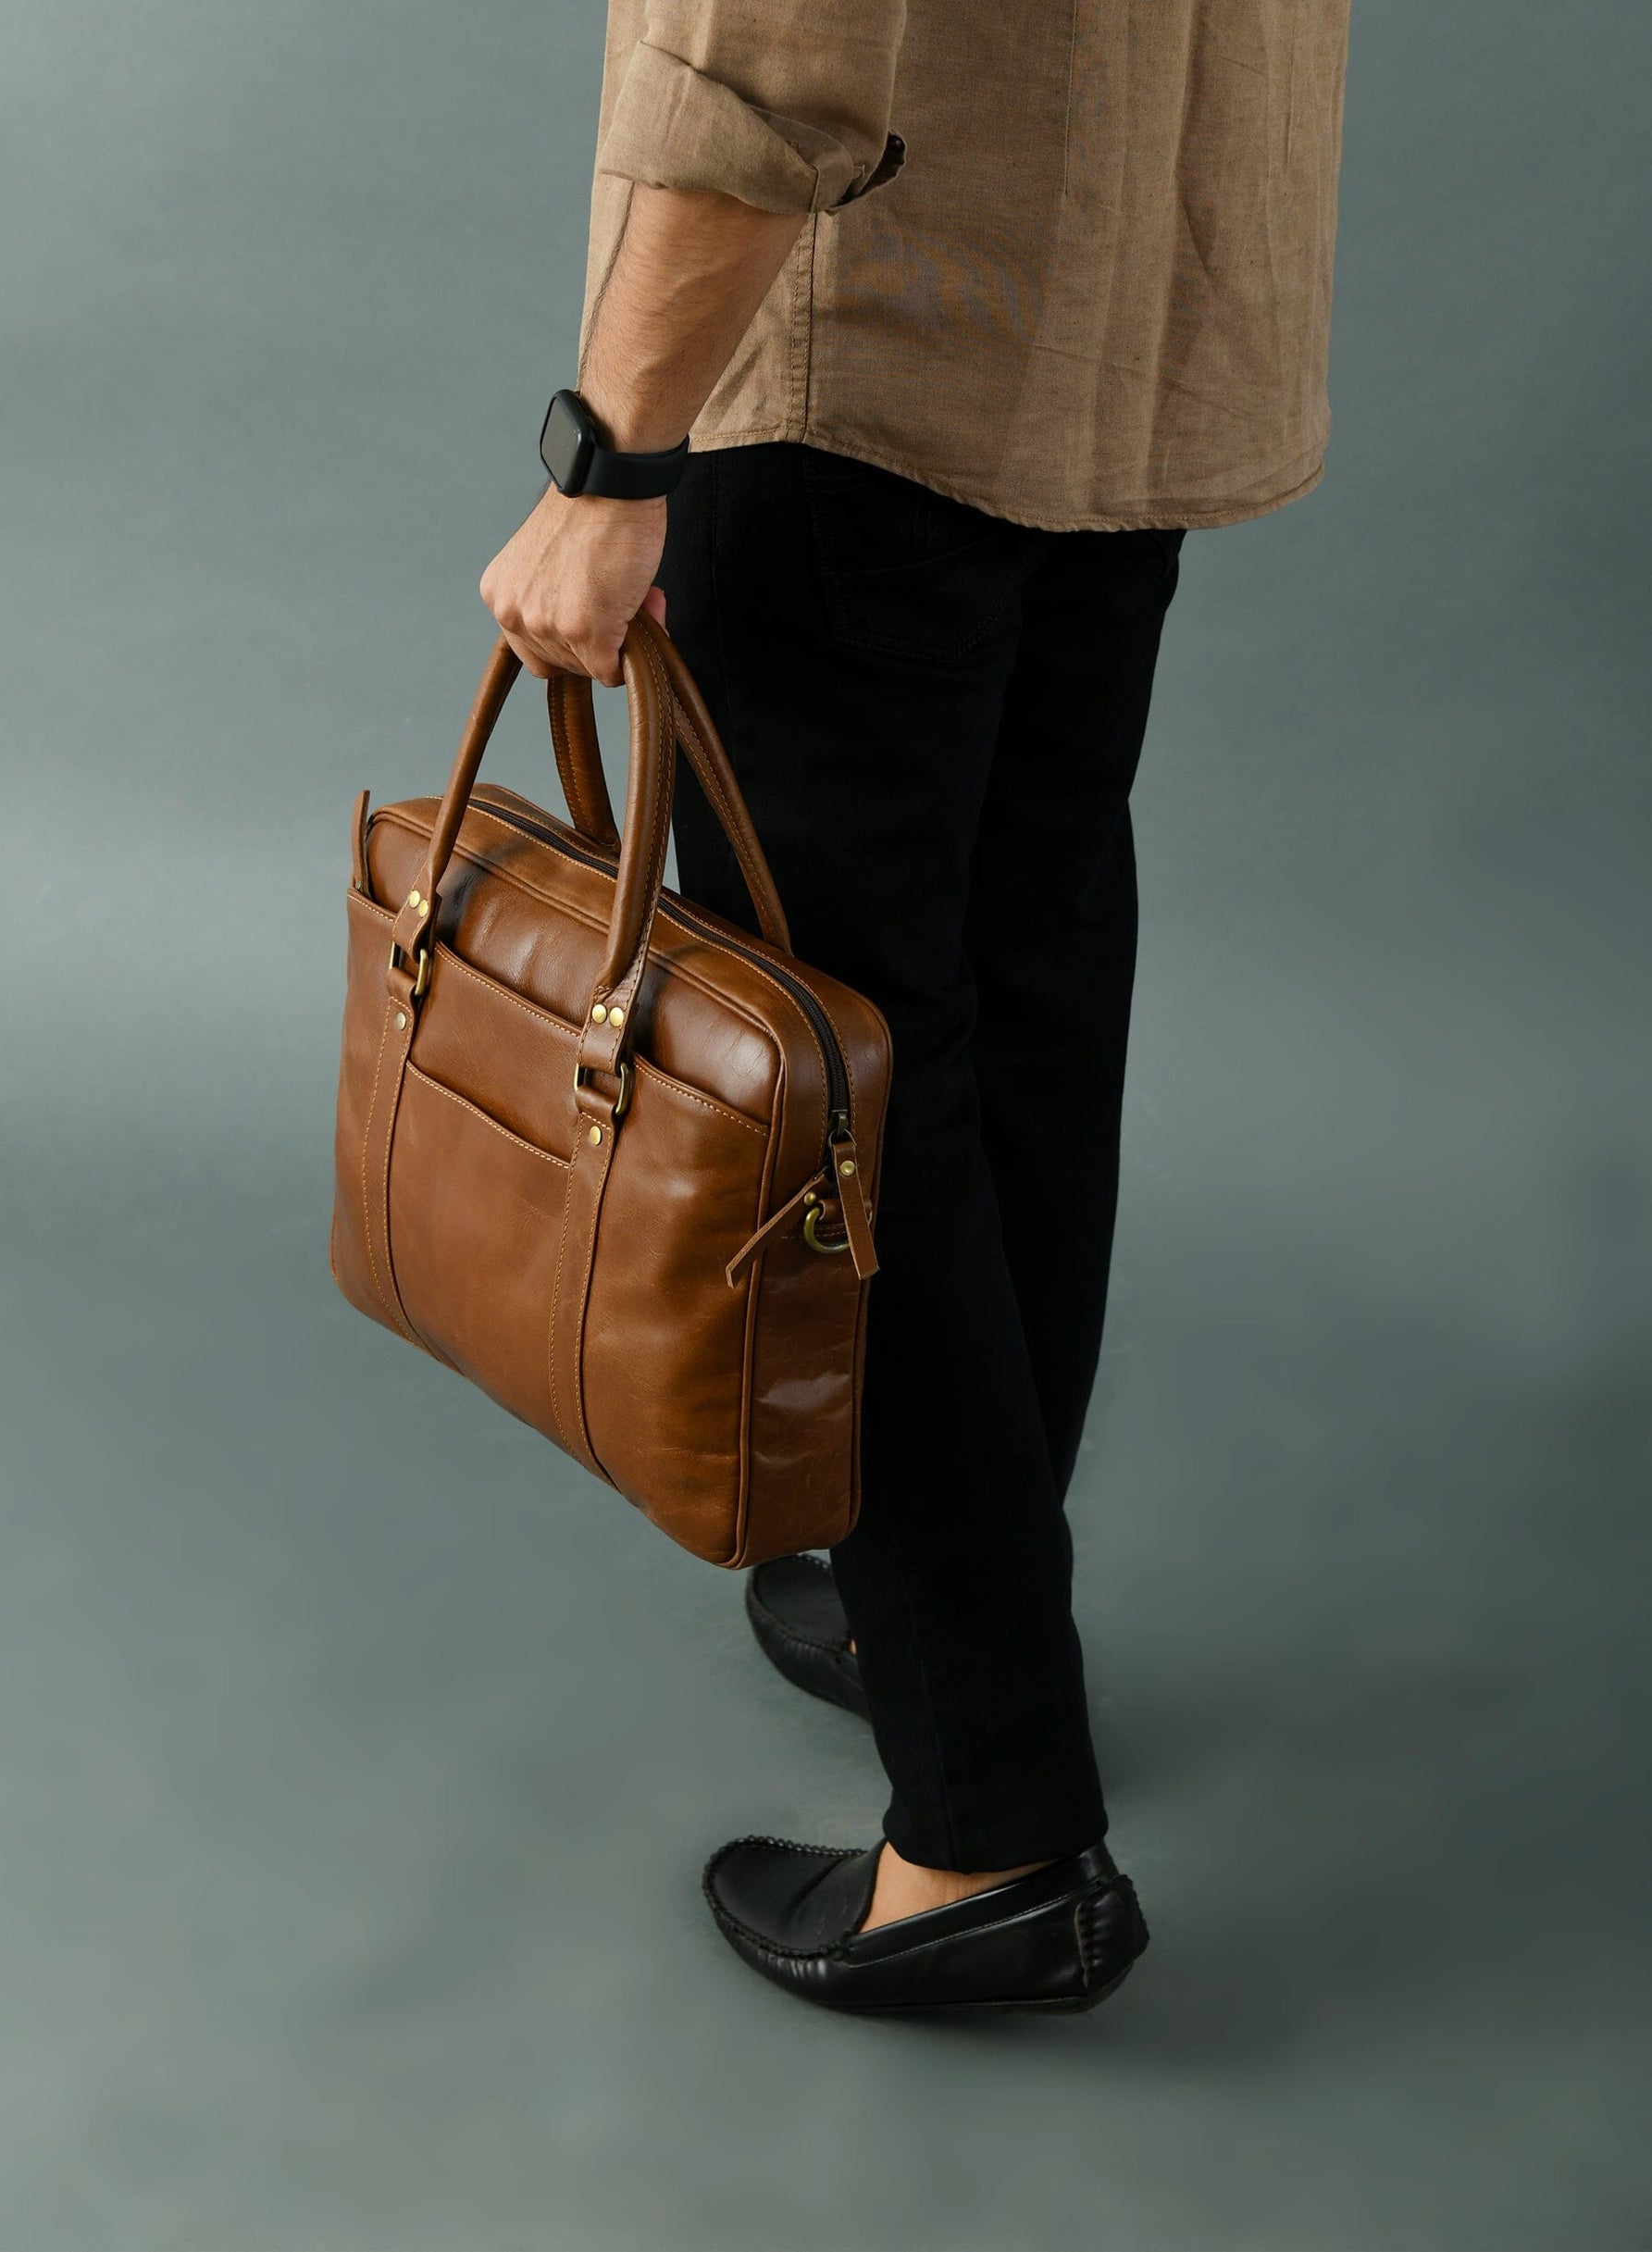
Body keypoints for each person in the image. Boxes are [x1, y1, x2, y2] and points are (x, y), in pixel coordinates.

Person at [482, 0, 1352, 2014]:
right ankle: (949, 1623)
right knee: (1016, 986)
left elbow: (772, 41)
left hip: (862, 356)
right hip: (1112, 318)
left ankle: (986, 1833)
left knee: (840, 1079)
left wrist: (614, 449)